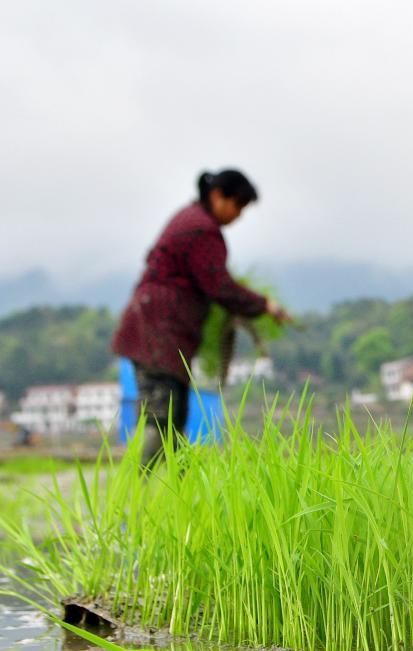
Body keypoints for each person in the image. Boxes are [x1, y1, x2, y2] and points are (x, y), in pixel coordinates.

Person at [112, 169, 291, 469]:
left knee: (173, 417)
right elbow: (219, 286)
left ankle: (174, 498)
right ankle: (130, 498)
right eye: (238, 205)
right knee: (162, 417)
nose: (239, 215)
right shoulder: (201, 229)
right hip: (158, 333)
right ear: (218, 196)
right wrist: (265, 305)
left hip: (159, 331)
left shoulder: (190, 219)